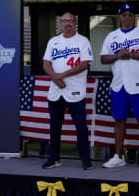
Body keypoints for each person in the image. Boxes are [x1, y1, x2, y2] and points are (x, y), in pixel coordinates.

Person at [100, 4, 139, 170]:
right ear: (119, 17)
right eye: (124, 14)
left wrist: (131, 54)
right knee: (119, 120)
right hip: (119, 84)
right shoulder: (112, 36)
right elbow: (103, 58)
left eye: (130, 14)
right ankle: (118, 156)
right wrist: (118, 55)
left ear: (134, 17)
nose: (127, 17)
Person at [42, 12, 93, 170]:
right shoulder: (53, 41)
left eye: (70, 21)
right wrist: (55, 78)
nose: (67, 24)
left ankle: (85, 159)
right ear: (61, 23)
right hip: (56, 91)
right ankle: (54, 158)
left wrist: (62, 75)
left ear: (75, 23)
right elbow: (46, 63)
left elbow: (85, 64)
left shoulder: (83, 41)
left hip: (75, 91)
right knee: (55, 126)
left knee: (80, 126)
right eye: (64, 21)